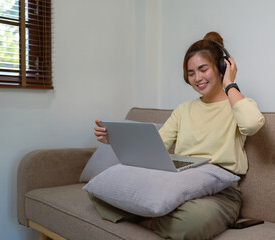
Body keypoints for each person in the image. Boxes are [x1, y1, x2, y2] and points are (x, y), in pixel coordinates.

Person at [93, 31, 265, 240]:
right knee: (100, 193)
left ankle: (149, 218)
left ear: (221, 68)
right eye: (191, 73)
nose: (197, 78)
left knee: (191, 222)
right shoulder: (183, 110)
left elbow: (252, 124)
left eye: (203, 69)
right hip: (179, 181)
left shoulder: (238, 104)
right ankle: (157, 217)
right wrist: (115, 140)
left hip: (220, 191)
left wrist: (230, 84)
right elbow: (156, 146)